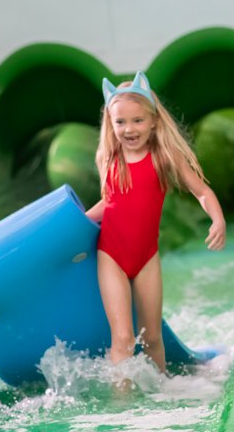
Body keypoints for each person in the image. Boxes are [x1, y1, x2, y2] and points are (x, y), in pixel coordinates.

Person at [85, 72, 226, 375]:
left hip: (146, 258)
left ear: (153, 122)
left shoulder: (163, 157)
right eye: (120, 122)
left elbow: (201, 191)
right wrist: (76, 224)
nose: (129, 129)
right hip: (111, 255)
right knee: (122, 338)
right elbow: (111, 202)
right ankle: (121, 406)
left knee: (152, 338)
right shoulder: (108, 157)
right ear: (110, 124)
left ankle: (161, 400)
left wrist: (218, 219)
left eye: (137, 120)